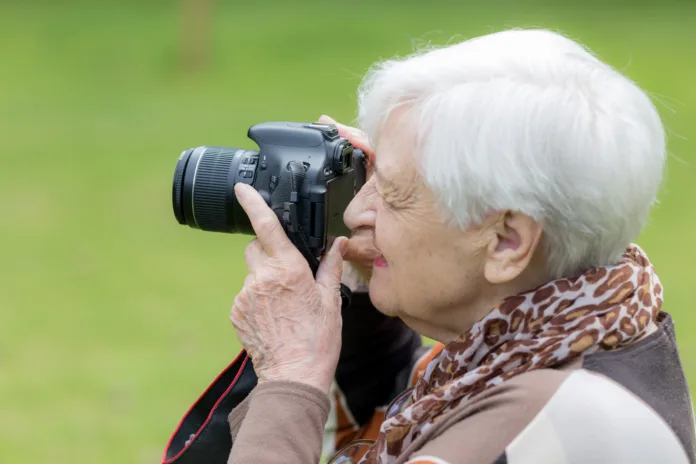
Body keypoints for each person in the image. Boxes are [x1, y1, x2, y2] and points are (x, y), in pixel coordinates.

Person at [225, 29, 695, 464]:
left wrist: (291, 376)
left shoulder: (542, 428)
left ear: (506, 242)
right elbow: (386, 420)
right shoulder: (564, 344)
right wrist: (364, 294)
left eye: (390, 193)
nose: (353, 214)